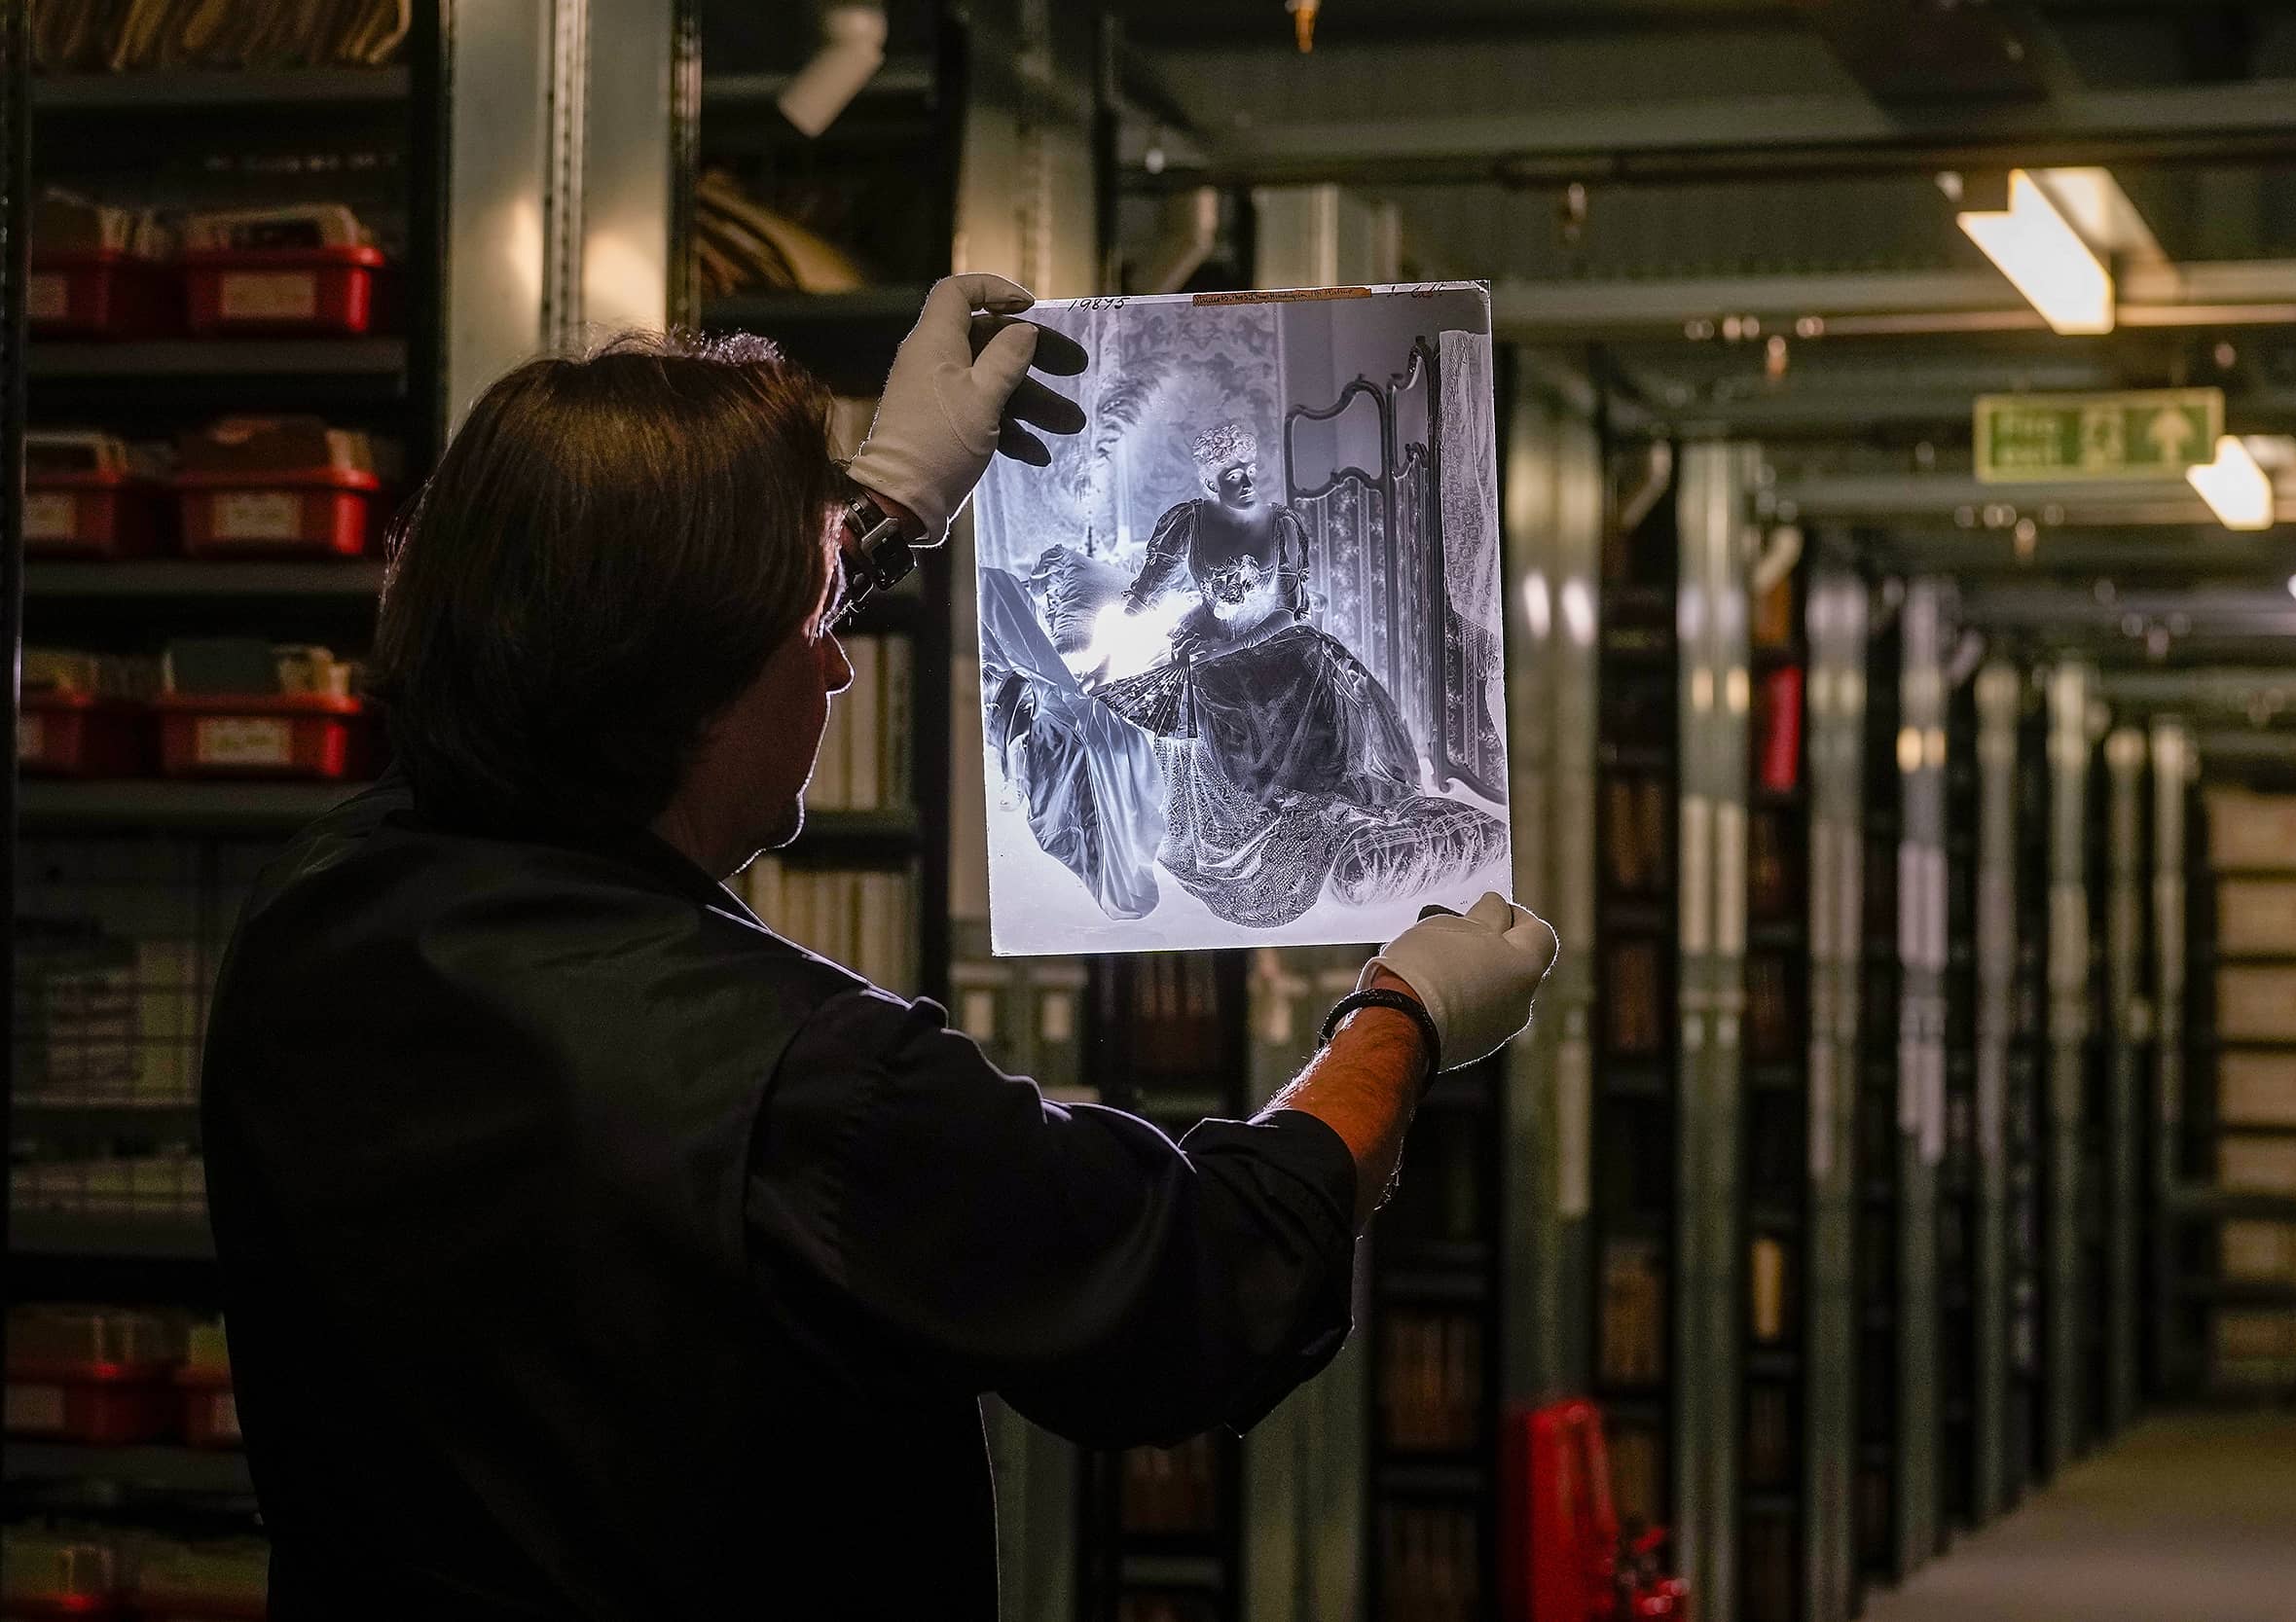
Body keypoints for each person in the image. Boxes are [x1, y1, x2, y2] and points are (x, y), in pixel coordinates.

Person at [198, 272, 1559, 1619]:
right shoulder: (817, 1091)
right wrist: (1404, 1010)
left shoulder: (318, 910)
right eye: (812, 618)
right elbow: (1201, 1275)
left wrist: (880, 508)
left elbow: (598, 622)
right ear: (685, 686)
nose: (842, 664)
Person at [1086, 419, 1511, 928]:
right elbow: (1143, 596)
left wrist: (1229, 642)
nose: (1245, 481)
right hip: (1208, 653)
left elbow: (1288, 612)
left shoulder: (1281, 524)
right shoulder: (1187, 523)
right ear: (1208, 484)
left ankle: (1325, 798)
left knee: (1309, 654)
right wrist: (1104, 661)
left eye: (1248, 470)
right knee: (1181, 697)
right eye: (1231, 476)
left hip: (1273, 641)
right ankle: (1249, 813)